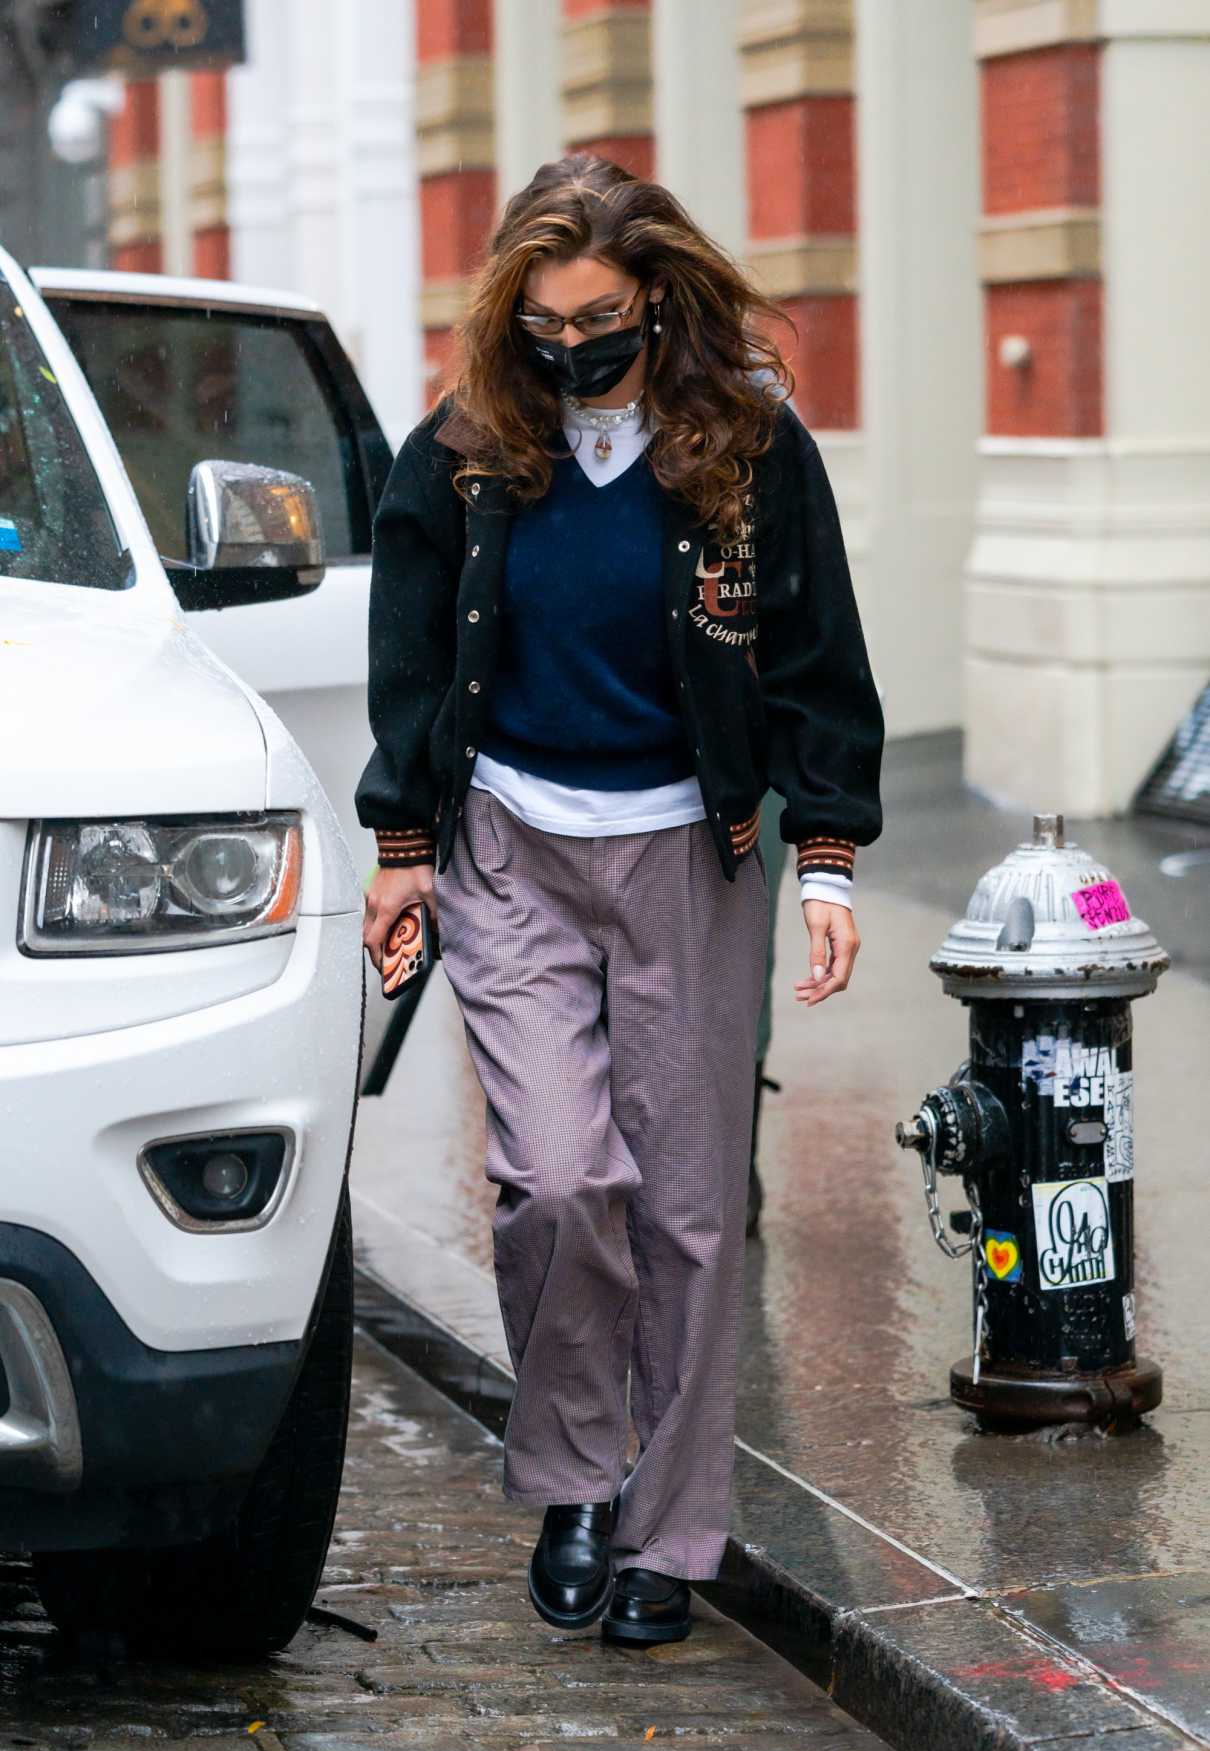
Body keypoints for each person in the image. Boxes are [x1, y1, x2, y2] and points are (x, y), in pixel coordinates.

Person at [358, 153, 884, 1646]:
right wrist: (402, 849)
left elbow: (814, 662)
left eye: (596, 316)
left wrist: (830, 855)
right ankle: (579, 1472)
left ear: (651, 293)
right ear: (506, 317)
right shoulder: (461, 449)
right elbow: (409, 658)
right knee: (558, 1177)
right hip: (510, 842)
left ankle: (671, 1531)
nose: (571, 344)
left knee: (691, 1209)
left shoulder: (746, 443)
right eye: (542, 322)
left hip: (686, 852)